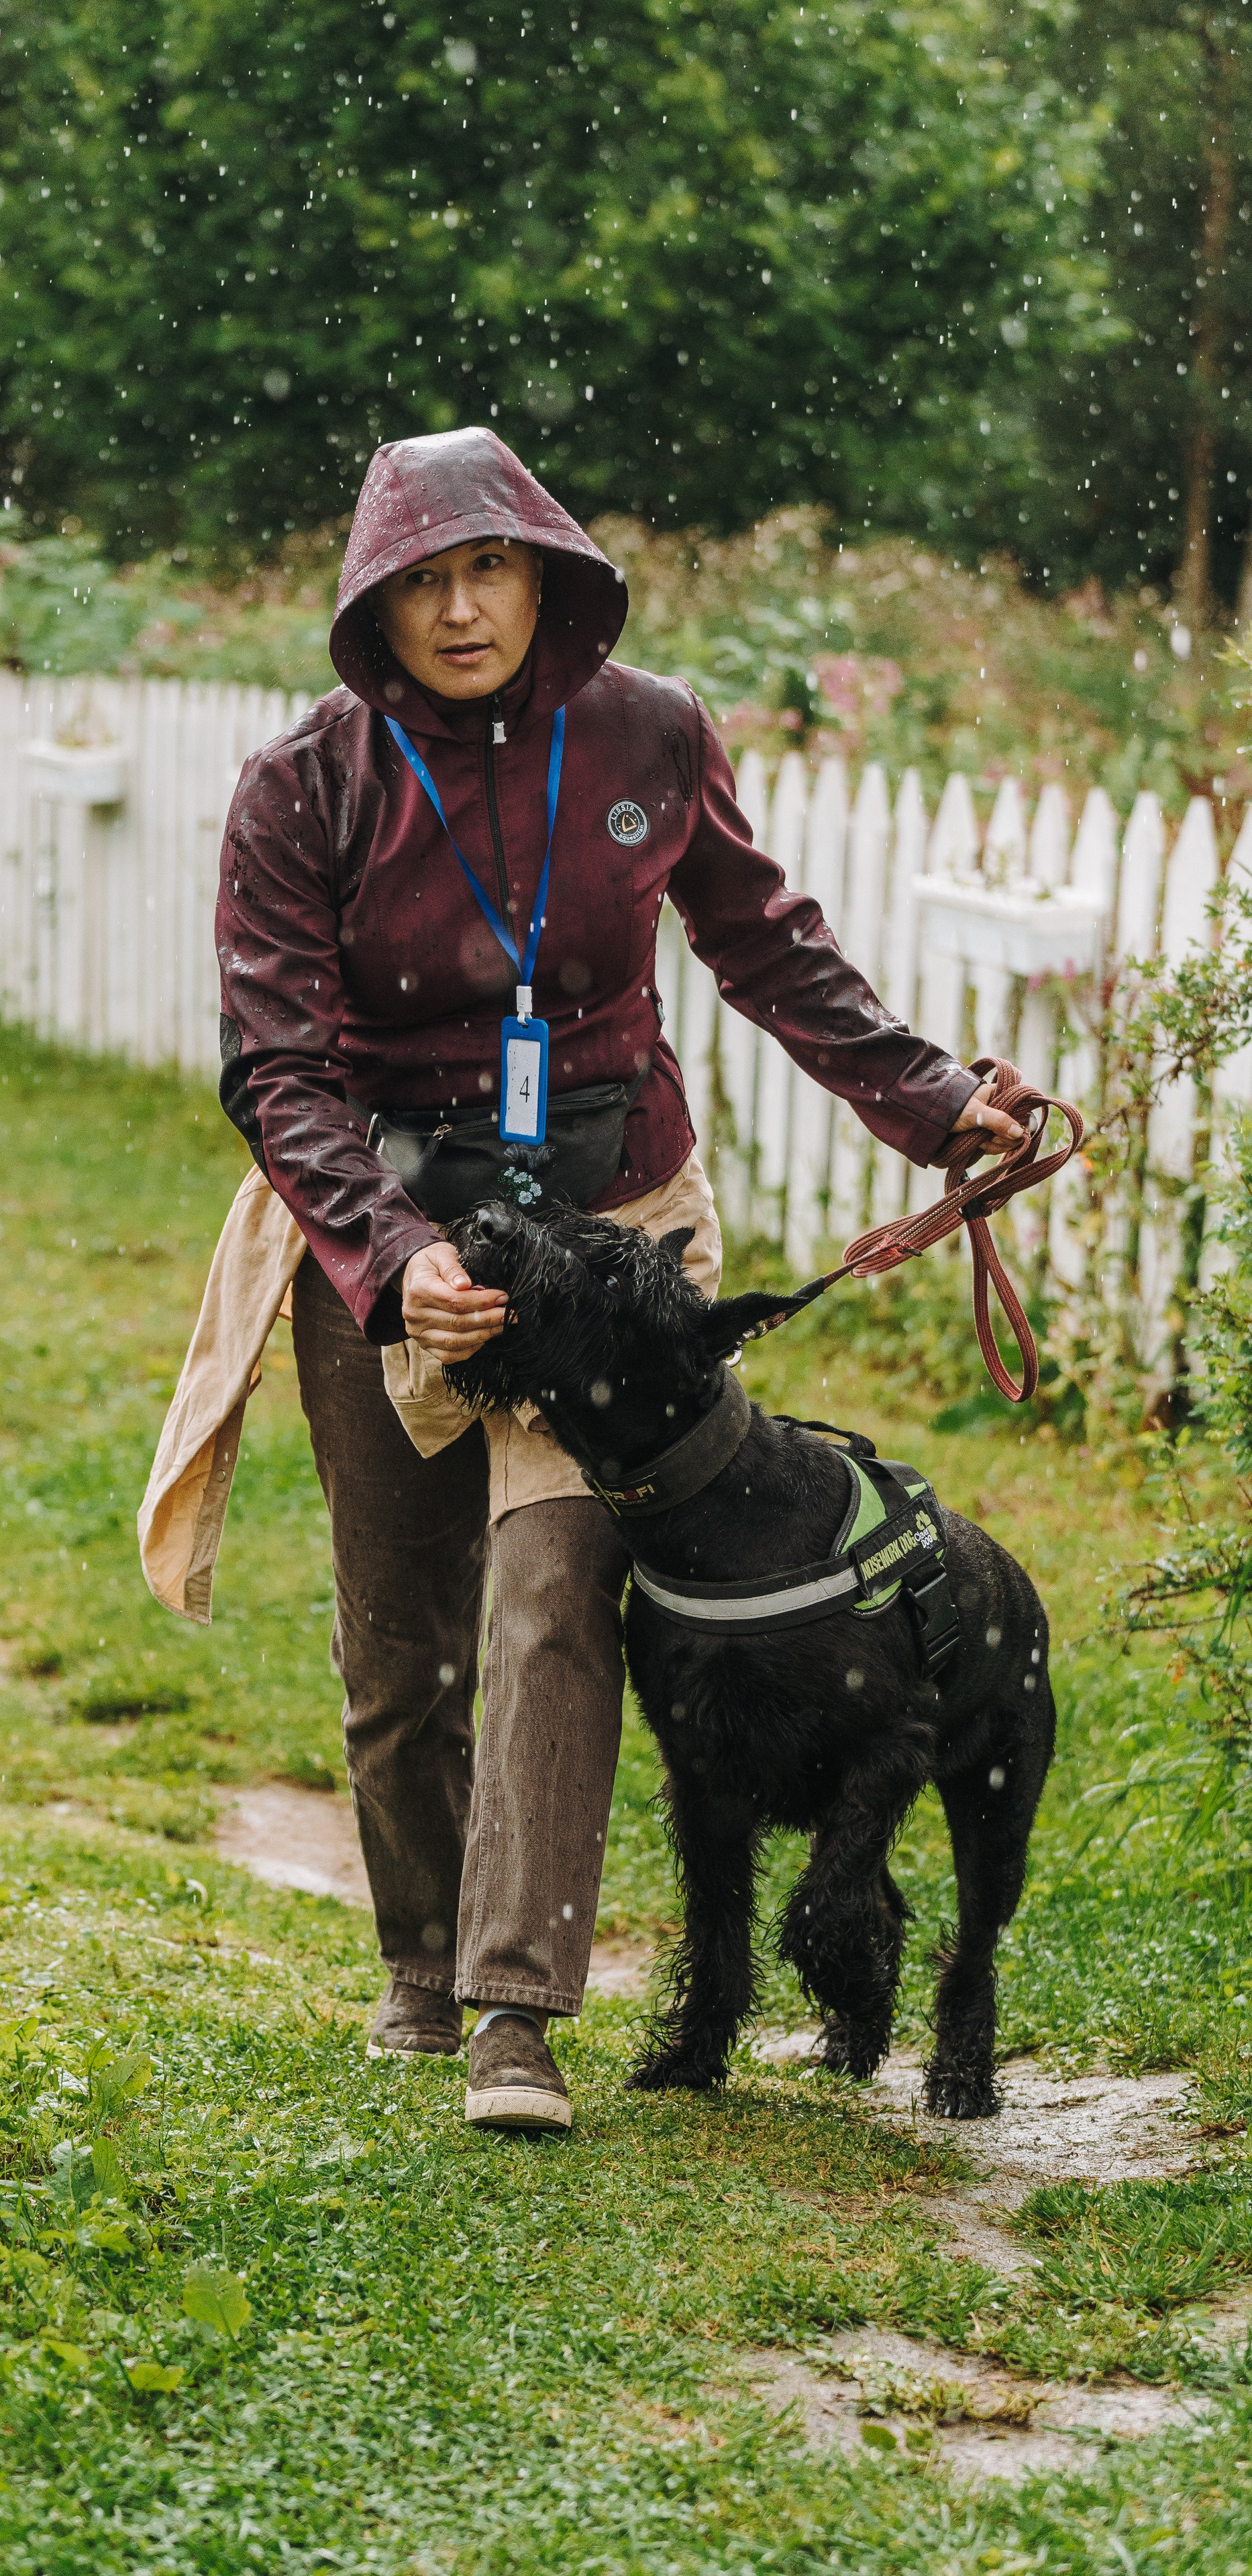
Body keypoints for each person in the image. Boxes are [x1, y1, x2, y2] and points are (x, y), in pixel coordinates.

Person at [213, 426, 1024, 2134]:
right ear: (371, 606)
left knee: (554, 1590)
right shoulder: (304, 785)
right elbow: (277, 1066)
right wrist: (392, 1255)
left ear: (546, 574)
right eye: (418, 582)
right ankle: (423, 1962)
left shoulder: (648, 730)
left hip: (615, 1232)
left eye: (485, 569)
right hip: (386, 1221)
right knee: (401, 1638)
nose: (457, 610)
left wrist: (936, 1099)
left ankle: (517, 2009)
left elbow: (764, 942)